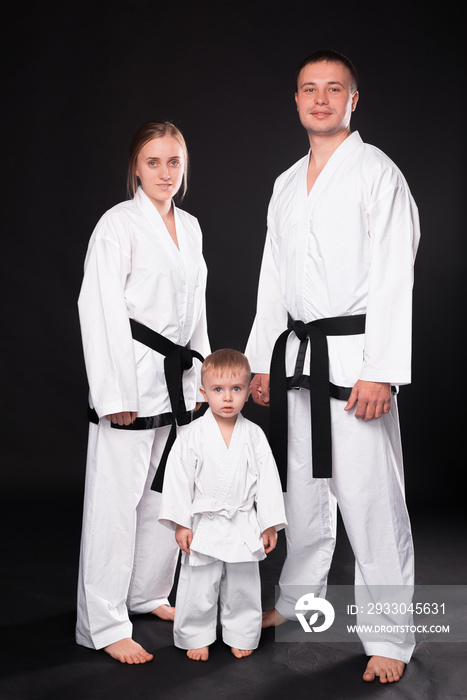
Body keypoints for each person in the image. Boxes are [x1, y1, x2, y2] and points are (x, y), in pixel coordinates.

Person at [245, 50, 420, 684]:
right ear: (296, 101)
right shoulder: (286, 182)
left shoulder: (378, 174)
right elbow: (273, 279)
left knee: (371, 500)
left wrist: (383, 370)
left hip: (355, 358)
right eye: (308, 89)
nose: (320, 99)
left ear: (353, 100)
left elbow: (395, 276)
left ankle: (392, 639)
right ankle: (297, 599)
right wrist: (265, 357)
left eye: (334, 89)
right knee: (303, 488)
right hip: (296, 357)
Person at [76, 121, 211, 664]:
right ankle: (104, 623)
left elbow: (195, 309)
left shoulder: (193, 227)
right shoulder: (118, 224)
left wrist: (201, 378)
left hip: (176, 380)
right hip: (129, 374)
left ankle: (149, 592)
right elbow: (98, 308)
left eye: (173, 162)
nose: (164, 173)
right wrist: (113, 391)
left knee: (166, 494)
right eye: (153, 163)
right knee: (115, 501)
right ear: (136, 167)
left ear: (185, 166)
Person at [159, 349, 287, 661]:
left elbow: (269, 480)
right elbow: (177, 480)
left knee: (243, 585)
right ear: (203, 392)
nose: (227, 398)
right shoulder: (191, 434)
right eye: (218, 390)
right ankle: (196, 634)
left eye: (235, 389)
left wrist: (269, 523)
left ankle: (242, 633)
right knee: (198, 585)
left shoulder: (254, 435)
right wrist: (181, 523)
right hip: (205, 522)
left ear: (247, 392)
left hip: (243, 522)